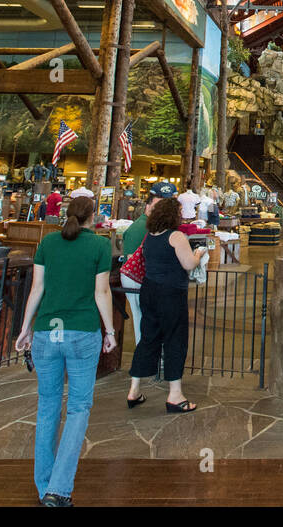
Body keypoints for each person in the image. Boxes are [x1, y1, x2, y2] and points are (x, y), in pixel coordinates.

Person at [15, 195, 115, 507]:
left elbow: (37, 288)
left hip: (47, 330)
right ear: (93, 217)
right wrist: (110, 330)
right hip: (82, 330)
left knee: (47, 406)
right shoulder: (100, 245)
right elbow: (101, 291)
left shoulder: (48, 244)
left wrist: (25, 328)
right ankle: (59, 489)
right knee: (79, 407)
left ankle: (44, 484)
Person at [128, 193, 209, 413]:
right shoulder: (176, 237)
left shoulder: (151, 235)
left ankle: (134, 389)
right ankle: (175, 395)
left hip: (149, 290)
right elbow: (188, 264)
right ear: (173, 215)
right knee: (175, 339)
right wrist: (199, 253)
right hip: (171, 293)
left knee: (148, 338)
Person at [120, 182, 170, 353]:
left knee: (148, 318)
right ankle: (147, 356)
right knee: (142, 318)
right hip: (138, 280)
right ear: (148, 206)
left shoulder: (154, 226)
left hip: (148, 281)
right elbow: (132, 259)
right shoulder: (140, 227)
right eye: (158, 205)